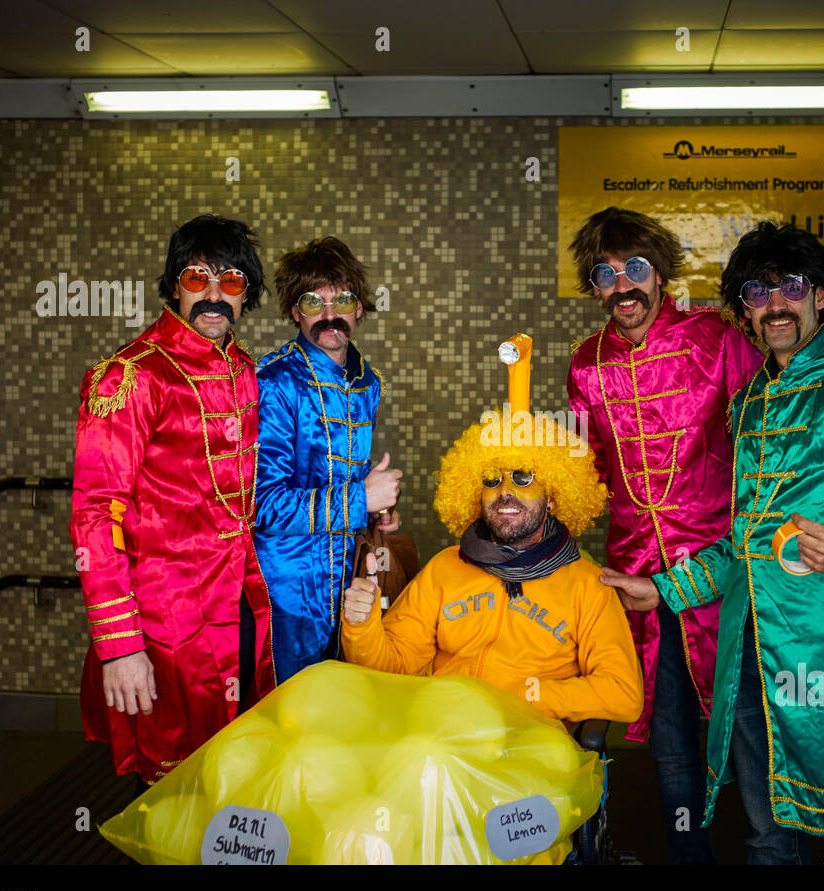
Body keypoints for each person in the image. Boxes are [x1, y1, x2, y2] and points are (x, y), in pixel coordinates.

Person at [602, 222, 824, 864]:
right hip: (751, 662)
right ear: (743, 306)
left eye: (790, 287)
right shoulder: (747, 403)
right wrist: (658, 589)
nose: (774, 305)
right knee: (769, 838)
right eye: (756, 292)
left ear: (820, 295)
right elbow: (743, 546)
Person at [565, 207, 762, 863]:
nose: (623, 286)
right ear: (594, 287)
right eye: (606, 273)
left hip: (725, 573)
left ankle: (774, 849)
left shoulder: (719, 341)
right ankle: (688, 854)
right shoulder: (585, 365)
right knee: (671, 736)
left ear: (662, 275)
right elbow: (584, 475)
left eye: (636, 269)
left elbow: (763, 454)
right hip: (638, 581)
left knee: (749, 728)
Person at [71, 213, 276, 789]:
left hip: (240, 604)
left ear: (247, 294)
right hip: (165, 624)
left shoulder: (243, 370)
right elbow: (94, 514)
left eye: (232, 281)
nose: (214, 296)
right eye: (197, 278)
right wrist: (119, 647)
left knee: (235, 765)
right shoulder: (128, 378)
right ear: (173, 285)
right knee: (175, 780)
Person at [341, 364, 643, 728]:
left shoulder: (587, 586)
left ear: (552, 496)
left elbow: (623, 695)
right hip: (441, 734)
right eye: (491, 478)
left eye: (523, 477)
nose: (504, 492)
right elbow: (391, 667)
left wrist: (530, 696)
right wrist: (361, 625)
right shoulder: (446, 568)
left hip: (530, 741)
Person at [253, 237, 400, 683]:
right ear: (295, 312)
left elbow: (347, 478)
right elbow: (263, 505)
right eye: (314, 301)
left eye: (344, 299)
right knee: (292, 712)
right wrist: (361, 499)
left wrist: (378, 512)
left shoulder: (366, 381)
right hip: (288, 587)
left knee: (346, 702)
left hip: (350, 577)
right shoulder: (273, 382)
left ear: (360, 309)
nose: (330, 314)